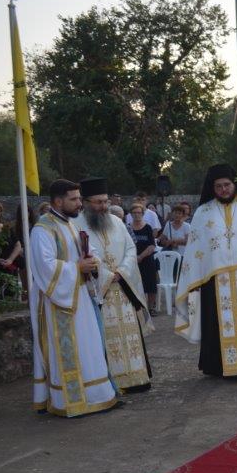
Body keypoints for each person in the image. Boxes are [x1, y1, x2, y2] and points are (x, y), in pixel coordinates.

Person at [174, 164, 237, 378]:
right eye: (218, 186)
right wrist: (196, 278)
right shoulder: (203, 212)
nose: (223, 190)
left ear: (235, 183)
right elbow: (195, 248)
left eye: (227, 185)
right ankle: (219, 366)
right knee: (216, 323)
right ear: (212, 187)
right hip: (215, 279)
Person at [29, 179, 119, 416]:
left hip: (78, 295)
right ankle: (72, 400)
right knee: (72, 349)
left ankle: (96, 395)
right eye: (75, 199)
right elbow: (44, 267)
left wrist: (92, 262)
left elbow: (86, 254)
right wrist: (77, 267)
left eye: (80, 198)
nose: (80, 202)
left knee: (88, 346)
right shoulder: (42, 229)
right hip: (58, 300)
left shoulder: (69, 224)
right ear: (58, 201)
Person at [74, 177, 152, 393]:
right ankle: (113, 382)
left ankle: (137, 379)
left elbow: (130, 249)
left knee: (130, 334)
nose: (103, 206)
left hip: (123, 287)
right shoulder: (76, 226)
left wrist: (121, 271)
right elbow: (82, 255)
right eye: (98, 202)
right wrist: (107, 274)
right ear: (85, 202)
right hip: (99, 291)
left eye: (105, 201)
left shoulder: (117, 222)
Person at [127, 203, 158, 314]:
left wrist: (141, 256)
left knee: (151, 284)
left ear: (142, 214)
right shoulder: (127, 227)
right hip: (132, 260)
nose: (136, 215)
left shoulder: (148, 227)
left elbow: (151, 245)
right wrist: (134, 257)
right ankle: (138, 307)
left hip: (147, 260)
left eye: (138, 213)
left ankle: (152, 307)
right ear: (131, 214)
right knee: (135, 284)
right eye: (134, 213)